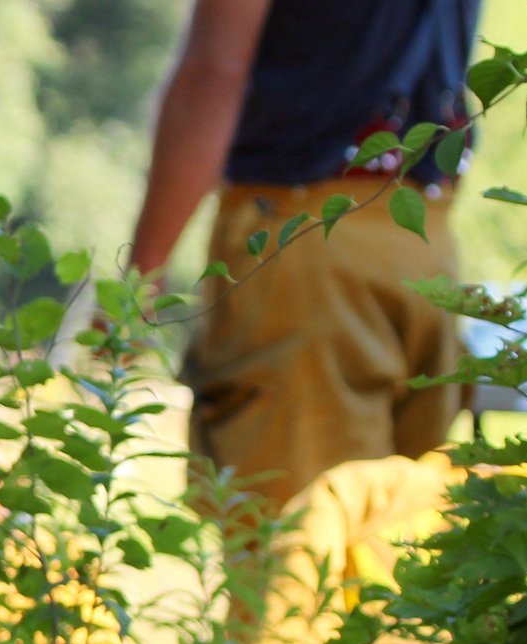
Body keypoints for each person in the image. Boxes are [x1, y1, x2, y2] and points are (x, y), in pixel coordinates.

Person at [129, 0, 482, 518]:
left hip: (307, 249)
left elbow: (213, 74)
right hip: (428, 243)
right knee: (398, 561)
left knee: (292, 560)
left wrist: (143, 273)